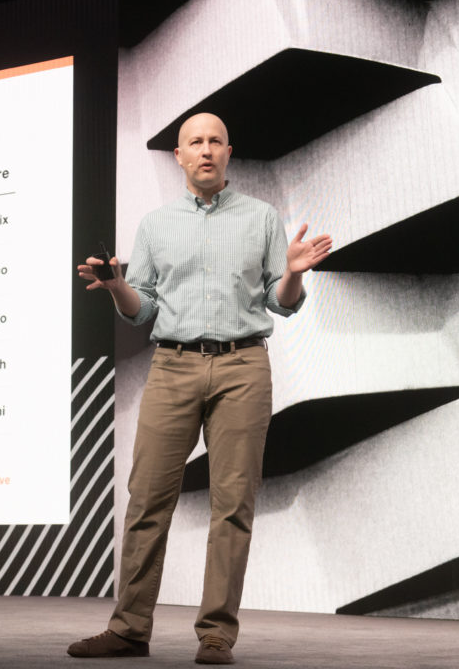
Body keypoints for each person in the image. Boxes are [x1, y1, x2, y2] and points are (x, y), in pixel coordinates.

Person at [69, 113, 331, 665]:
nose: (206, 150)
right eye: (195, 142)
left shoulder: (261, 218)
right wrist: (118, 288)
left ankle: (216, 634)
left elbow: (280, 304)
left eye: (215, 141)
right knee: (147, 499)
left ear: (228, 153)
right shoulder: (156, 225)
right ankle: (129, 628)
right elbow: (141, 313)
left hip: (242, 367)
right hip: (173, 367)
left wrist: (295, 272)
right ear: (180, 157)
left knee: (232, 504)